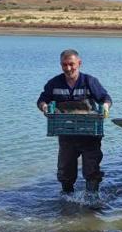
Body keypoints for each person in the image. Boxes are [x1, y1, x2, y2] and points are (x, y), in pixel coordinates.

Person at [37, 49, 112, 195]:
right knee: (65, 172)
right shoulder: (54, 83)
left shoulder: (89, 81)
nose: (68, 68)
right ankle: (66, 202)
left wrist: (105, 106)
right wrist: (44, 107)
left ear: (79, 63)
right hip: (66, 135)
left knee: (92, 171)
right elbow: (42, 100)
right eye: (64, 65)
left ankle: (92, 200)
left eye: (71, 64)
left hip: (90, 135)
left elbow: (105, 98)